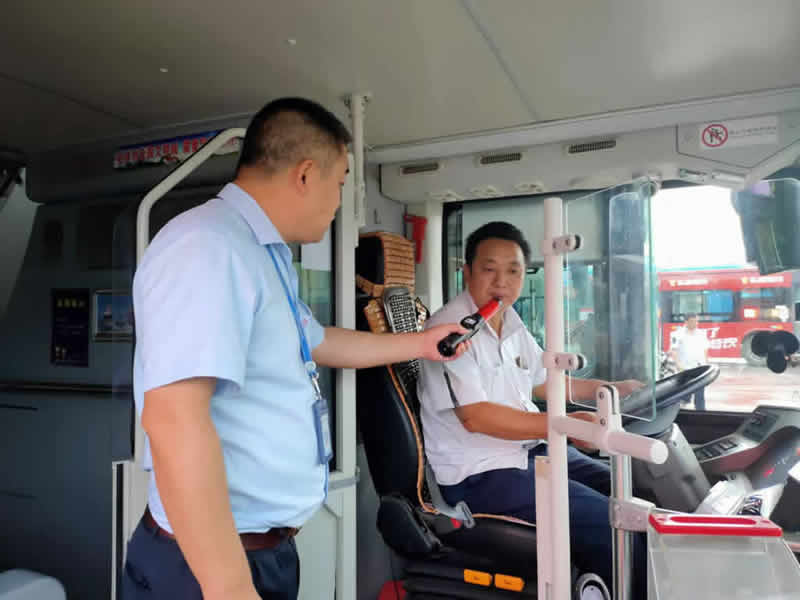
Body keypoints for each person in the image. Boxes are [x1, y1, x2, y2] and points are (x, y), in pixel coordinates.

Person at [123, 97, 468, 600]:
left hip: (259, 552)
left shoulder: (263, 254)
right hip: (207, 568)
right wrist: (229, 587)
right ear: (305, 174)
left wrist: (420, 342)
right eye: (340, 182)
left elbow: (320, 340)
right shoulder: (208, 246)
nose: (339, 202)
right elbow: (174, 418)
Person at [417, 221, 645, 595]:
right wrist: (565, 424)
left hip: (527, 453)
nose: (501, 282)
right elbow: (476, 416)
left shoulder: (509, 320)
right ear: (467, 272)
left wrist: (610, 390)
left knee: (628, 491)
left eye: (513, 271)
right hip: (479, 473)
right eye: (489, 269)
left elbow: (544, 380)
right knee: (611, 522)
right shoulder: (450, 330)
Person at [670, 313, 710, 410]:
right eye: (693, 321)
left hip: (699, 368)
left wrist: (706, 363)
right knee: (684, 395)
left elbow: (705, 349)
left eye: (696, 321)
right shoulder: (677, 334)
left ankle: (701, 412)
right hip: (685, 369)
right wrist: (678, 365)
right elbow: (674, 351)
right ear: (686, 322)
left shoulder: (701, 334)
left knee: (700, 395)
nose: (695, 323)